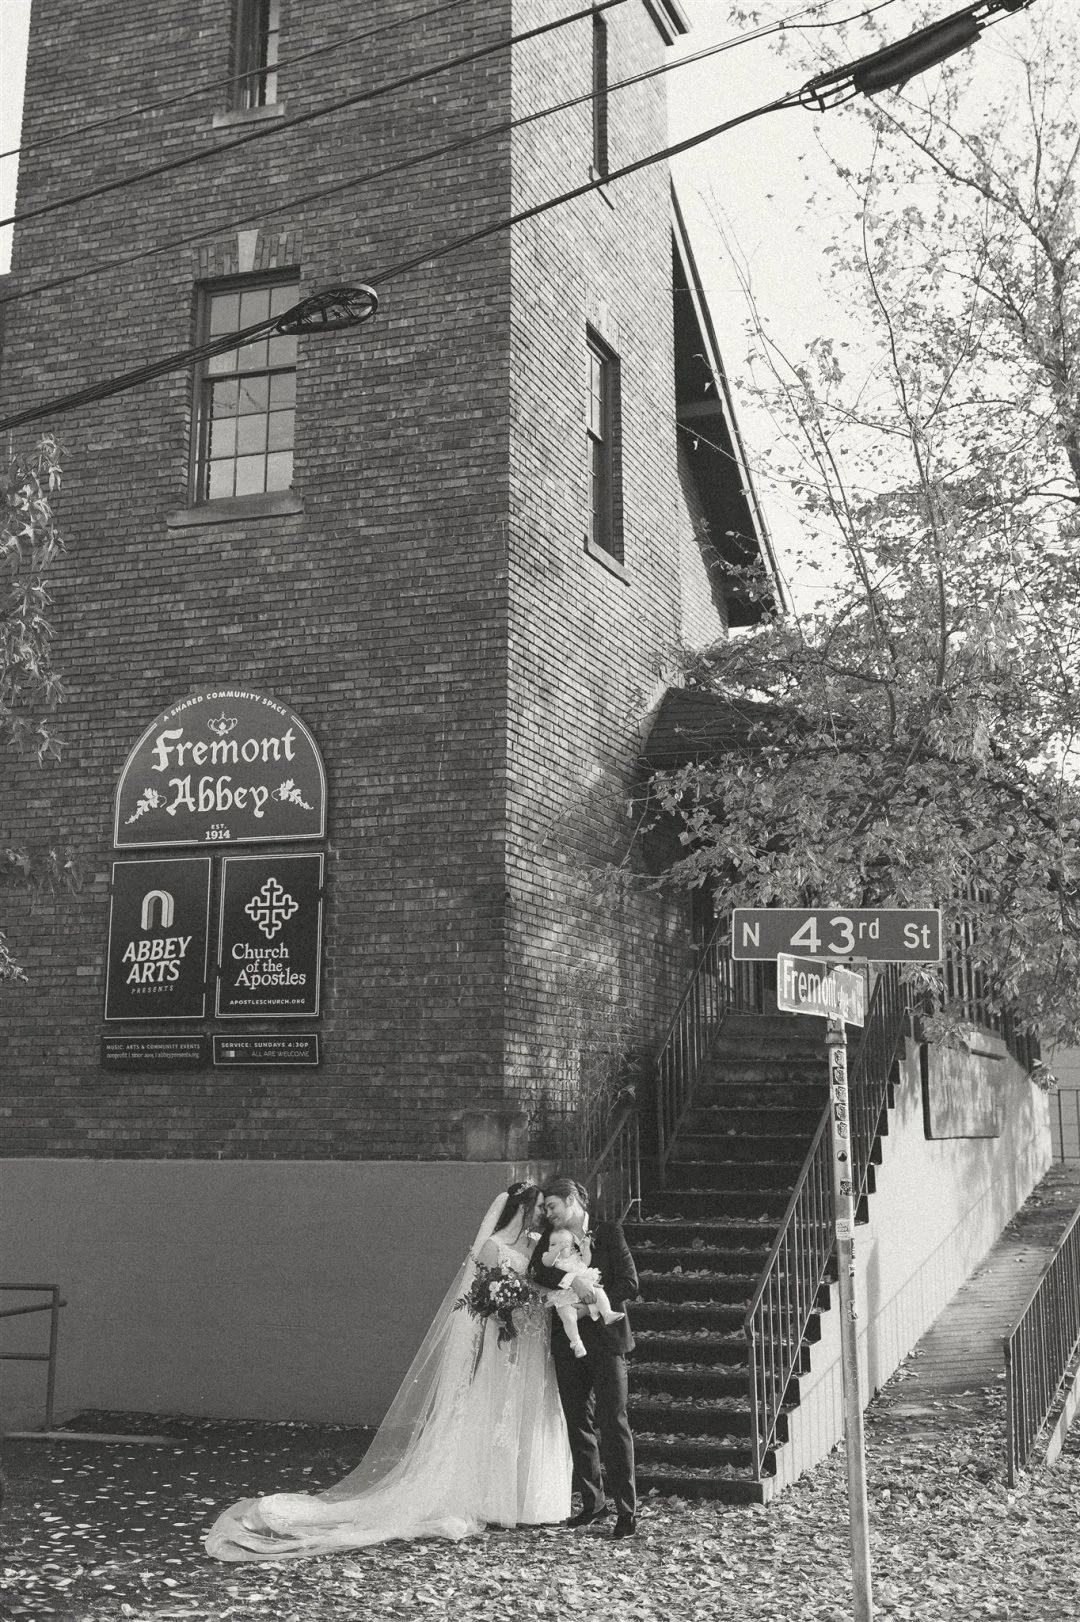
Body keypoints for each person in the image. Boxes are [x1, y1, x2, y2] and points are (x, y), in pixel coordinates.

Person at [204, 1182, 572, 1561]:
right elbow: (482, 1301)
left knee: (525, 1413)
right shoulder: (493, 1247)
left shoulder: (535, 1244)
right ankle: (498, 1501)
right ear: (521, 1208)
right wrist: (510, 1306)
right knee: (499, 1416)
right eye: (539, 1207)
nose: (543, 1213)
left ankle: (528, 1502)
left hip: (532, 1341)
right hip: (505, 1341)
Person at [529, 1176, 639, 1539]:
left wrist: (590, 1297)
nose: (548, 1214)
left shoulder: (610, 1233)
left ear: (573, 1199)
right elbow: (537, 1271)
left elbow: (629, 1283)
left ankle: (627, 1511)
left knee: (614, 1421)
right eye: (545, 1209)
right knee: (577, 1421)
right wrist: (568, 1282)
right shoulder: (549, 1238)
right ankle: (593, 1503)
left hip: (606, 1341)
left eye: (552, 1206)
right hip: (567, 1343)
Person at [541, 1227, 624, 1357]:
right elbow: (546, 1263)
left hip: (585, 1286)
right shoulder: (551, 1258)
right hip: (564, 1294)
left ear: (572, 1248)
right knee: (568, 1318)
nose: (558, 1247)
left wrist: (586, 1247)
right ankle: (576, 1342)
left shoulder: (575, 1257)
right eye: (553, 1244)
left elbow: (586, 1261)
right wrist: (555, 1251)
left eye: (564, 1245)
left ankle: (607, 1312)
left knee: (598, 1290)